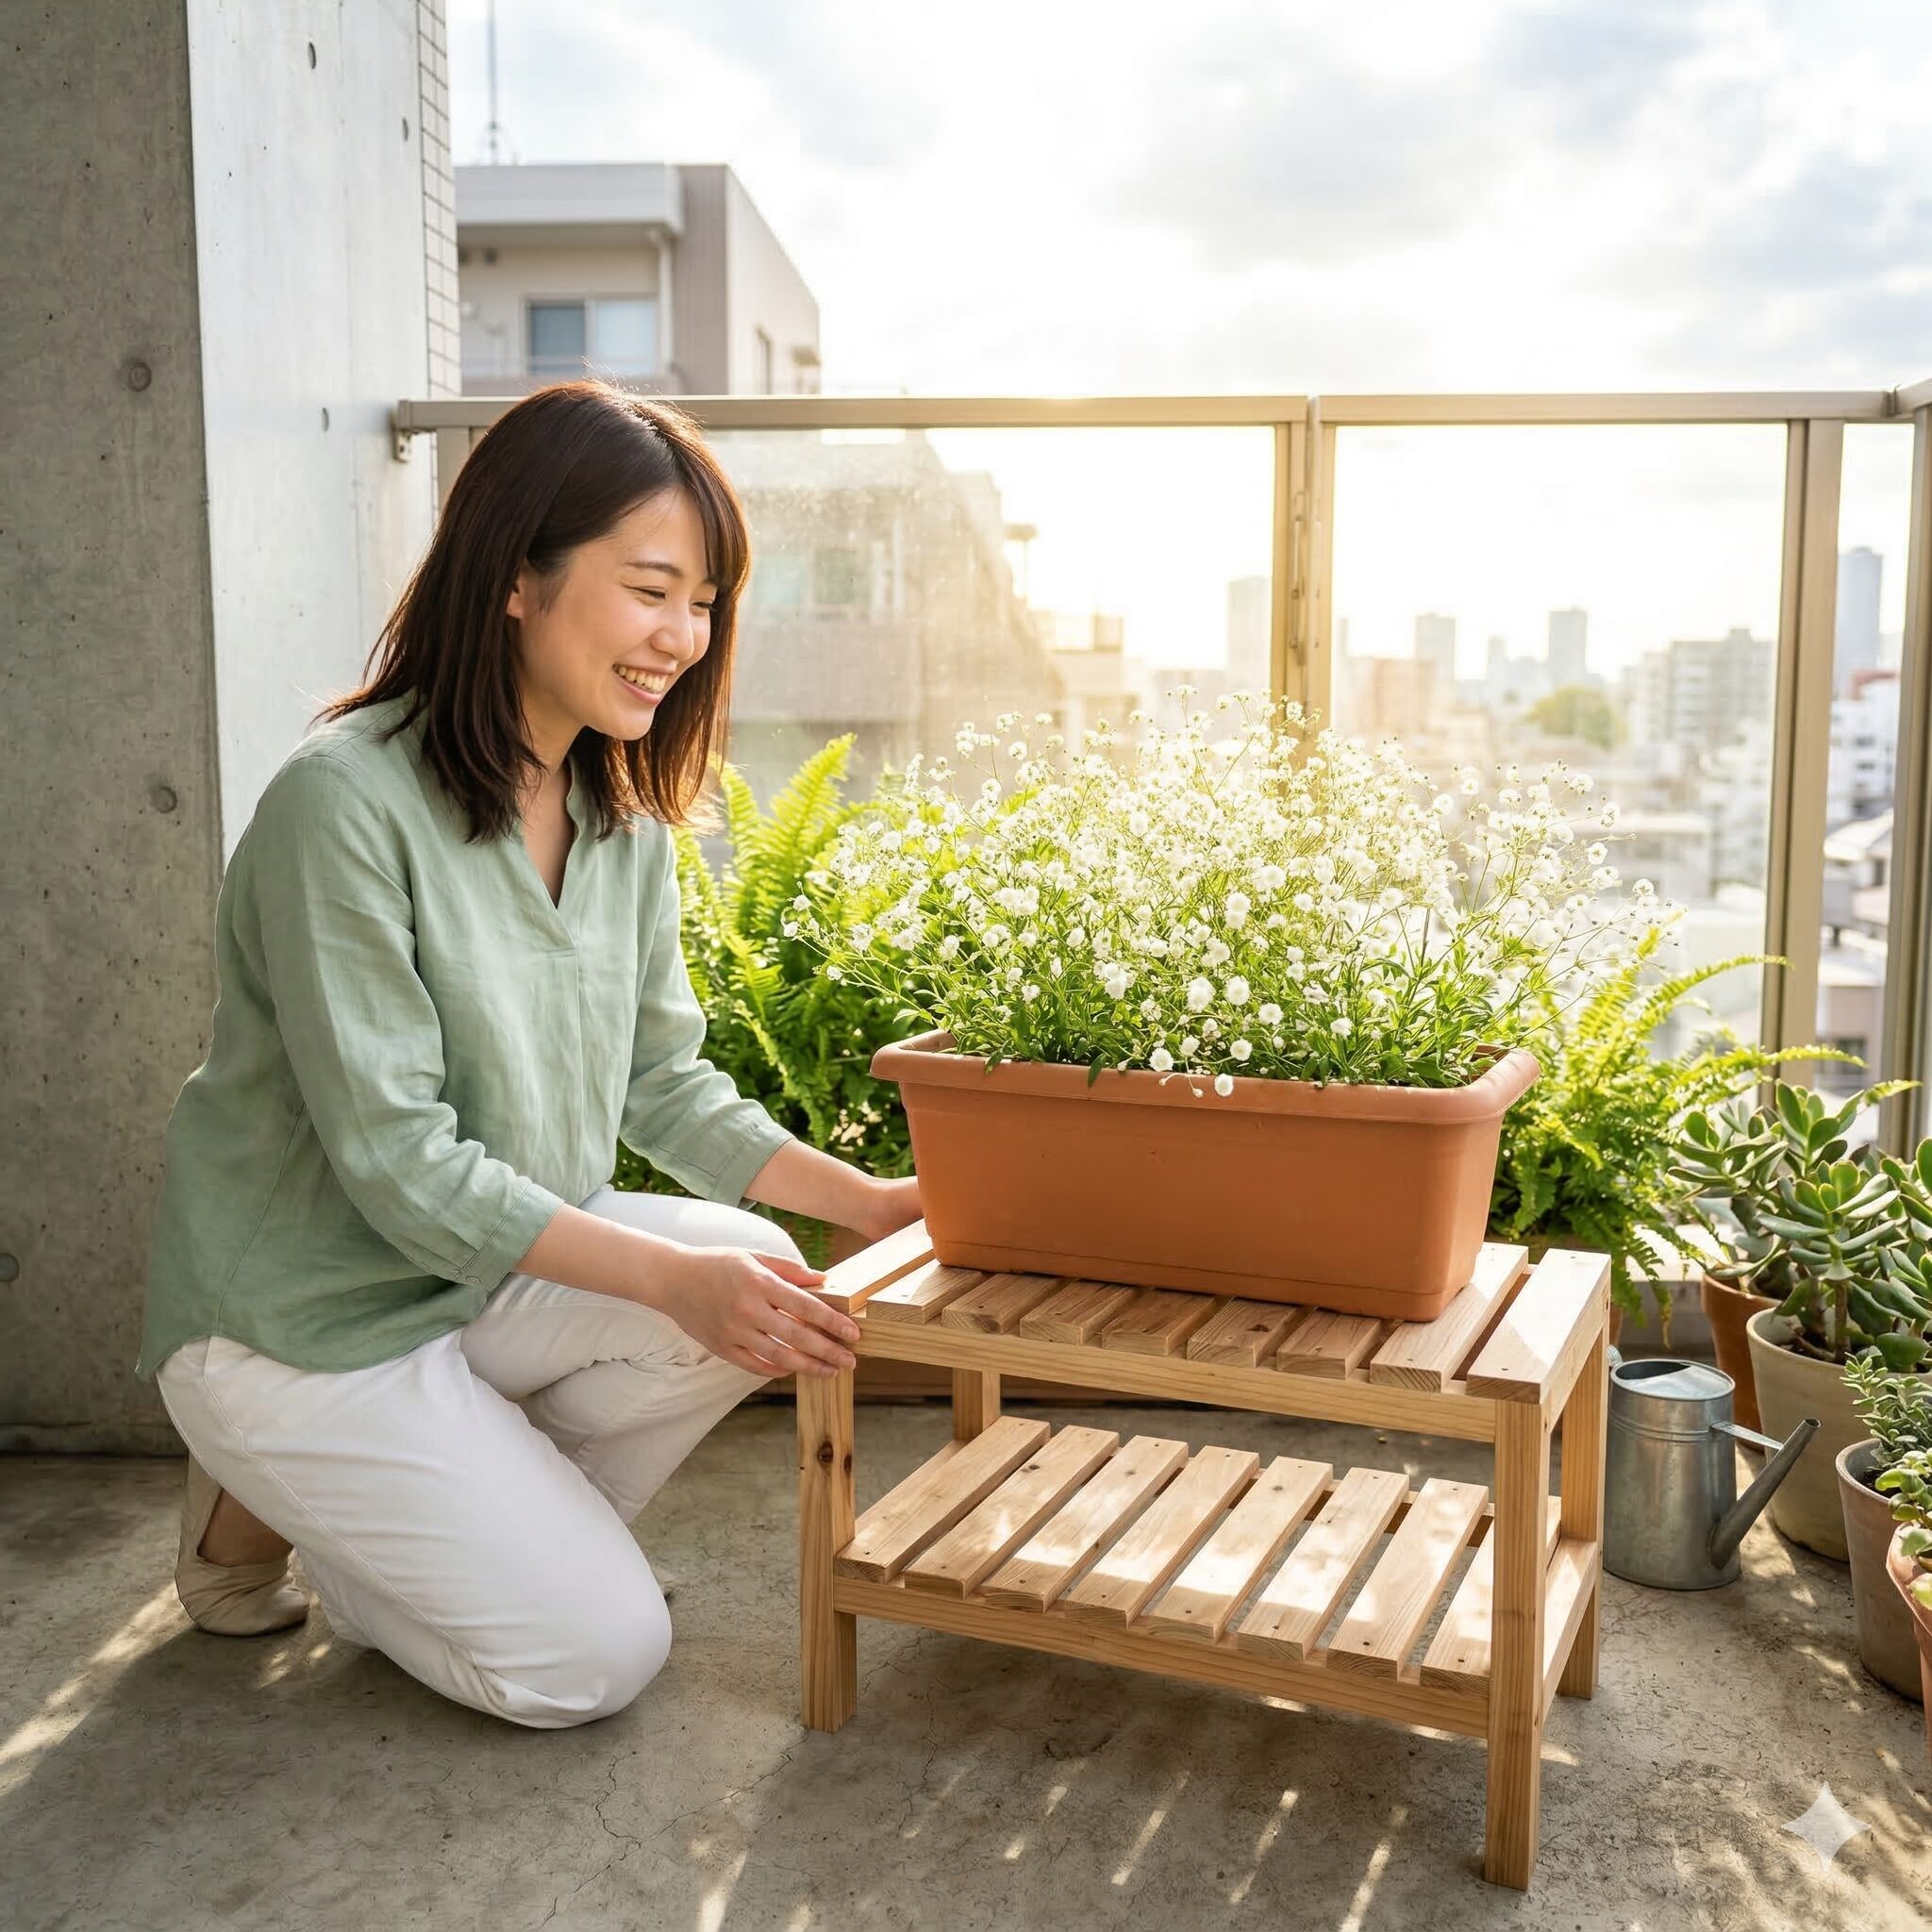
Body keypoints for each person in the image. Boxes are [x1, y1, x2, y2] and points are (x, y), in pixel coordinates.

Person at [134, 381, 921, 1729]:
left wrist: (878, 1205)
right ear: (515, 578)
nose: (682, 637)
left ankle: (431, 1522)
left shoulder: (622, 825)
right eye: (650, 589)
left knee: (770, 1275)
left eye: (707, 602)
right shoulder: (343, 804)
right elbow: (398, 1165)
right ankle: (305, 1499)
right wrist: (674, 1281)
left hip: (478, 1286)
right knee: (589, 1662)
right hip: (307, 1322)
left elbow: (662, 1086)